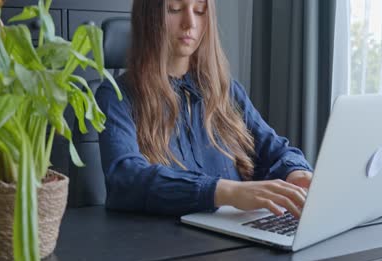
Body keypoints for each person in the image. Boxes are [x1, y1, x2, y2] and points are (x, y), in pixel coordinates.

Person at [95, 0, 313, 217]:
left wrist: (297, 173)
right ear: (148, 16)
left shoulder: (226, 90)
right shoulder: (116, 95)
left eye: (200, 11)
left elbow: (275, 149)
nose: (190, 23)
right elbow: (125, 178)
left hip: (235, 238)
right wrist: (228, 192)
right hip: (165, 245)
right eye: (175, 9)